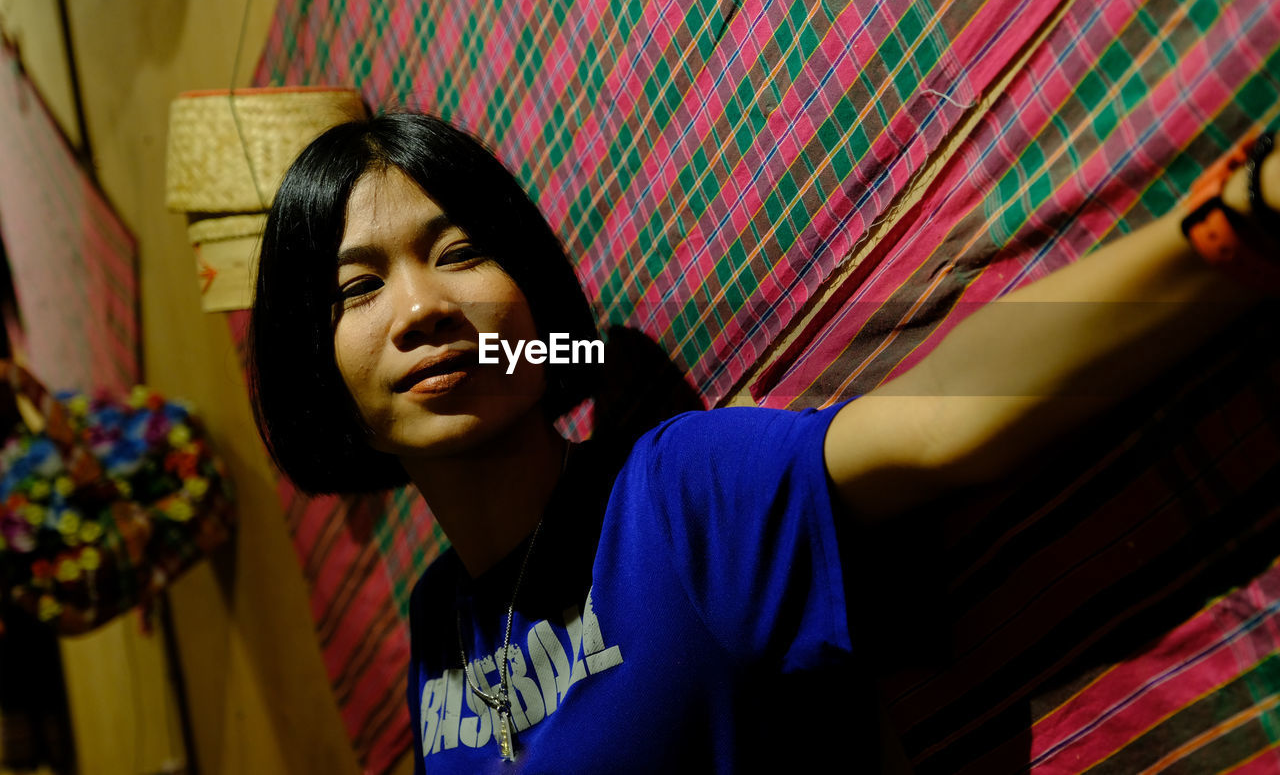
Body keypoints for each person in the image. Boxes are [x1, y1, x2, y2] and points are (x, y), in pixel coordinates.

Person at [248, 113, 1278, 773]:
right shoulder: (439, 617)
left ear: (530, 305)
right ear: (322, 379)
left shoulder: (670, 495)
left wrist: (1243, 217)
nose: (423, 305)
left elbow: (945, 422)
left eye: (459, 253)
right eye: (356, 287)